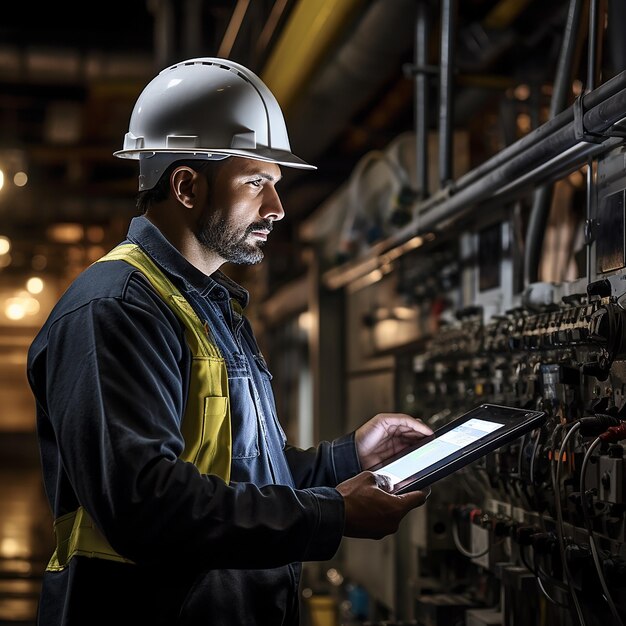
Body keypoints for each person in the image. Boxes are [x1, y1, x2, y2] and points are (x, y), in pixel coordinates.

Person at [26, 57, 433, 626]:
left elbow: (239, 474)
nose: (277, 207)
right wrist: (331, 516)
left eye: (276, 184)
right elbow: (145, 505)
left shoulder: (210, 308)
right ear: (187, 185)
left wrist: (347, 459)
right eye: (256, 182)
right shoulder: (115, 309)